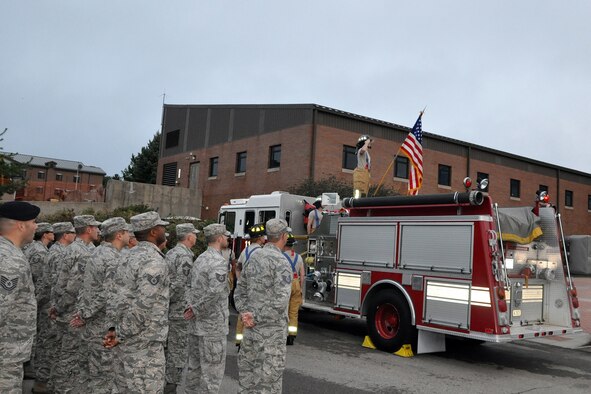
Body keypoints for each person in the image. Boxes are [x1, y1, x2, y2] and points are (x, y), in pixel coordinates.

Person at [104, 211, 170, 393]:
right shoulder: (153, 260)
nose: (165, 230)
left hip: (125, 342)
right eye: (162, 227)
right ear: (154, 232)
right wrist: (120, 333)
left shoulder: (125, 256)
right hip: (143, 346)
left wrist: (113, 329)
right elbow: (144, 304)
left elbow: (112, 296)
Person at [70, 217, 130, 393]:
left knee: (88, 372)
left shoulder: (96, 252)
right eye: (126, 232)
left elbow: (85, 286)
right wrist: (85, 314)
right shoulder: (113, 258)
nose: (129, 235)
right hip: (102, 325)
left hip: (92, 324)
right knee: (103, 377)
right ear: (119, 235)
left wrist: (82, 312)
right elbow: (107, 294)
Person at [234, 218, 293, 393]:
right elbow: (281, 301)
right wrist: (255, 316)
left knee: (248, 378)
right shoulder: (282, 263)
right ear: (283, 236)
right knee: (270, 381)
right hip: (271, 334)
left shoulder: (253, 257)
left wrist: (245, 313)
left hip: (251, 330)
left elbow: (239, 290)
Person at [50, 214, 101, 392]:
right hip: (73, 312)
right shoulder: (81, 252)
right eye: (95, 227)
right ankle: (63, 389)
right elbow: (73, 286)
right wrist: (63, 308)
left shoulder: (75, 249)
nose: (98, 230)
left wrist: (57, 306)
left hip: (68, 309)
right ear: (88, 229)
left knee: (66, 353)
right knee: (70, 356)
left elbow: (60, 282)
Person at [182, 223, 231, 393]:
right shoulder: (218, 262)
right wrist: (195, 309)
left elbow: (188, 286)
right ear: (219, 238)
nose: (227, 239)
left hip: (196, 326)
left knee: (194, 369)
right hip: (212, 328)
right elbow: (215, 292)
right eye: (225, 236)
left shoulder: (200, 258)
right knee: (212, 375)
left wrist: (192, 307)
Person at [0, 201, 40, 393]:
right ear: (21, 225)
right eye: (33, 221)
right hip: (5, 354)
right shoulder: (10, 260)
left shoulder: (9, 252)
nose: (36, 226)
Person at [164, 223, 200, 393]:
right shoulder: (184, 257)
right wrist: (177, 304)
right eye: (194, 234)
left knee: (169, 348)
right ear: (188, 236)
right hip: (179, 312)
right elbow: (180, 284)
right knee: (177, 352)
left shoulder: (171, 252)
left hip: (170, 310)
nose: (196, 237)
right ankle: (171, 387)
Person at [44, 222, 76, 393]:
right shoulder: (60, 253)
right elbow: (60, 284)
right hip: (59, 306)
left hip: (57, 304)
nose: (75, 235)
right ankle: (55, 385)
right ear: (65, 235)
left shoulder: (59, 251)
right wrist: (59, 307)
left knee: (58, 348)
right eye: (72, 232)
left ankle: (52, 383)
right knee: (60, 349)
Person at [22, 222, 54, 392]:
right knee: (38, 335)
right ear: (44, 234)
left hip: (33, 300)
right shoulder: (40, 252)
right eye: (51, 232)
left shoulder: (38, 249)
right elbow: (39, 280)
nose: (54, 234)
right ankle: (30, 368)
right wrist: (37, 301)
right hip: (36, 300)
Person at [234, 223, 266, 346]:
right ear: (259, 238)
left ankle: (239, 339)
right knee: (254, 313)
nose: (264, 238)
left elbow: (238, 267)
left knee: (243, 311)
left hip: (244, 286)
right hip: (256, 288)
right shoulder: (262, 252)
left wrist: (240, 280)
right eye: (263, 236)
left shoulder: (245, 251)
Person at [282, 234, 305, 345]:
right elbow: (302, 275)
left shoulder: (281, 256)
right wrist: (300, 288)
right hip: (296, 283)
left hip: (285, 283)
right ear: (293, 246)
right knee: (294, 312)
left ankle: (284, 333)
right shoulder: (299, 257)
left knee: (284, 310)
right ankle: (292, 335)